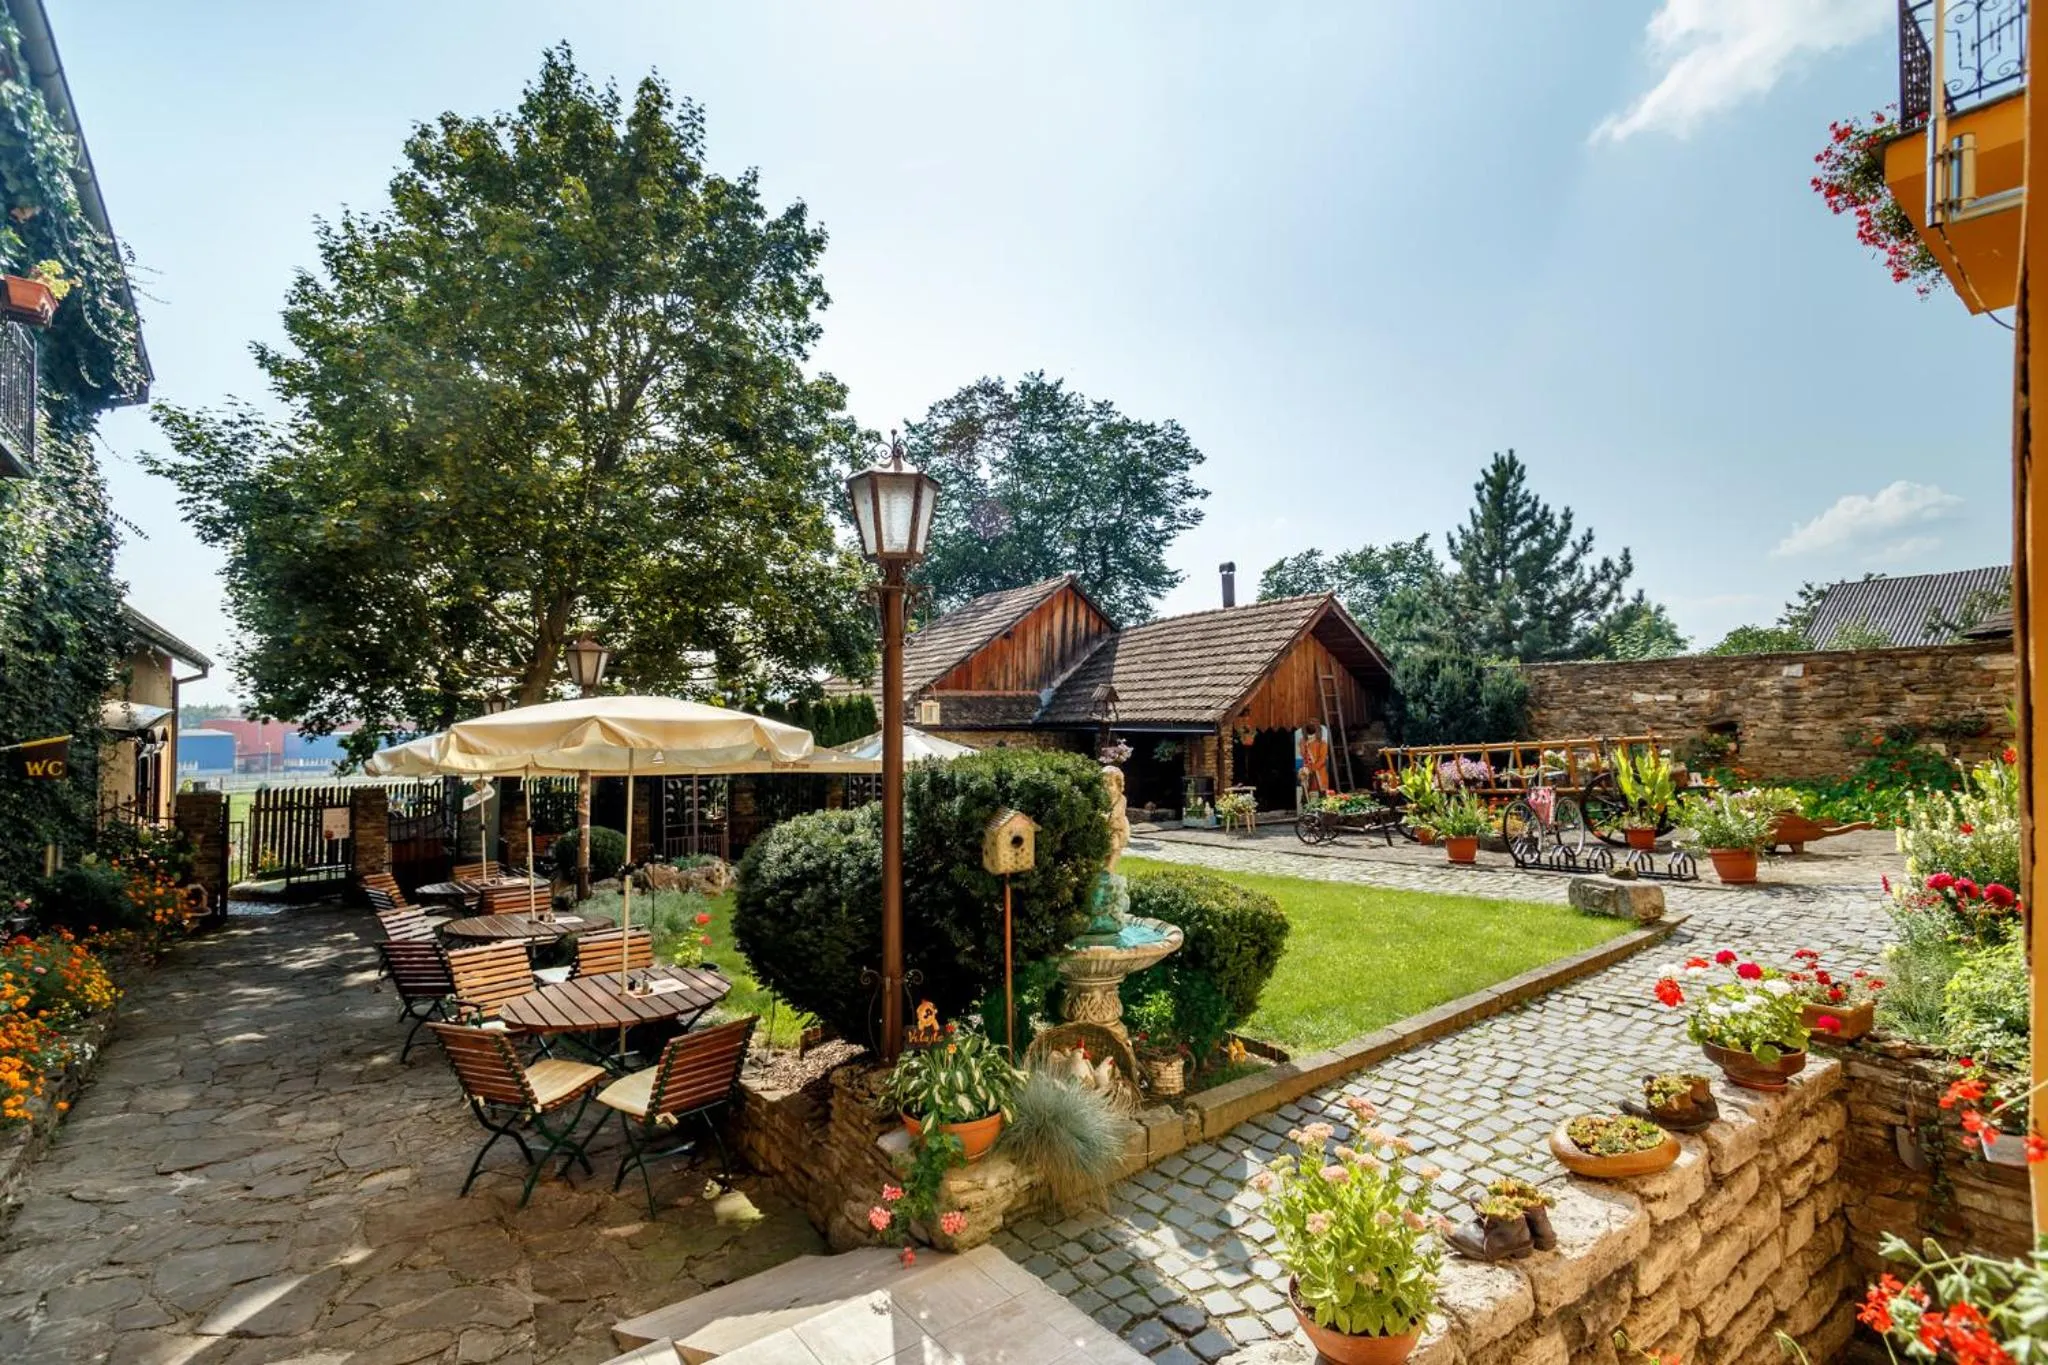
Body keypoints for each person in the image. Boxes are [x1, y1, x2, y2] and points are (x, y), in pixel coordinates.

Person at [1299, 722, 1331, 797]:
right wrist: (1302, 746)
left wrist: (1312, 768)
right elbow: (1303, 755)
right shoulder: (1304, 742)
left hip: (1318, 771)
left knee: (1320, 792)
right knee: (1306, 793)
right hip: (1307, 771)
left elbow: (1322, 760)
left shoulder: (1322, 743)